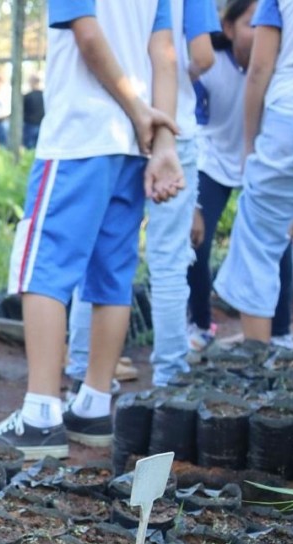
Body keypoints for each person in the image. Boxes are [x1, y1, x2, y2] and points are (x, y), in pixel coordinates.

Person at [0, 0, 184, 457]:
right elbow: (163, 54)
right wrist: (162, 140)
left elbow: (87, 34)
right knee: (112, 274)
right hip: (131, 144)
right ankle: (94, 405)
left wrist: (141, 113)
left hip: (81, 133)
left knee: (44, 265)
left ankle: (40, 415)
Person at [66, 0, 219, 392]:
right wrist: (185, 81)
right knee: (168, 260)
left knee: (102, 255)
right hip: (173, 126)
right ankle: (170, 374)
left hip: (118, 123)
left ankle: (82, 364)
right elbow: (201, 53)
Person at [193, 0, 293, 350]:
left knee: (265, 237)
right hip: (216, 160)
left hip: (285, 130)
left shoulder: (279, 10)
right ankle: (206, 324)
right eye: (246, 24)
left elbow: (260, 69)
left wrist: (250, 145)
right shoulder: (215, 66)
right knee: (206, 240)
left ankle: (264, 346)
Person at [23, 74, 45, 150]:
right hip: (42, 125)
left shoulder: (27, 96)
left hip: (30, 126)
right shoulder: (45, 95)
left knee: (29, 148)